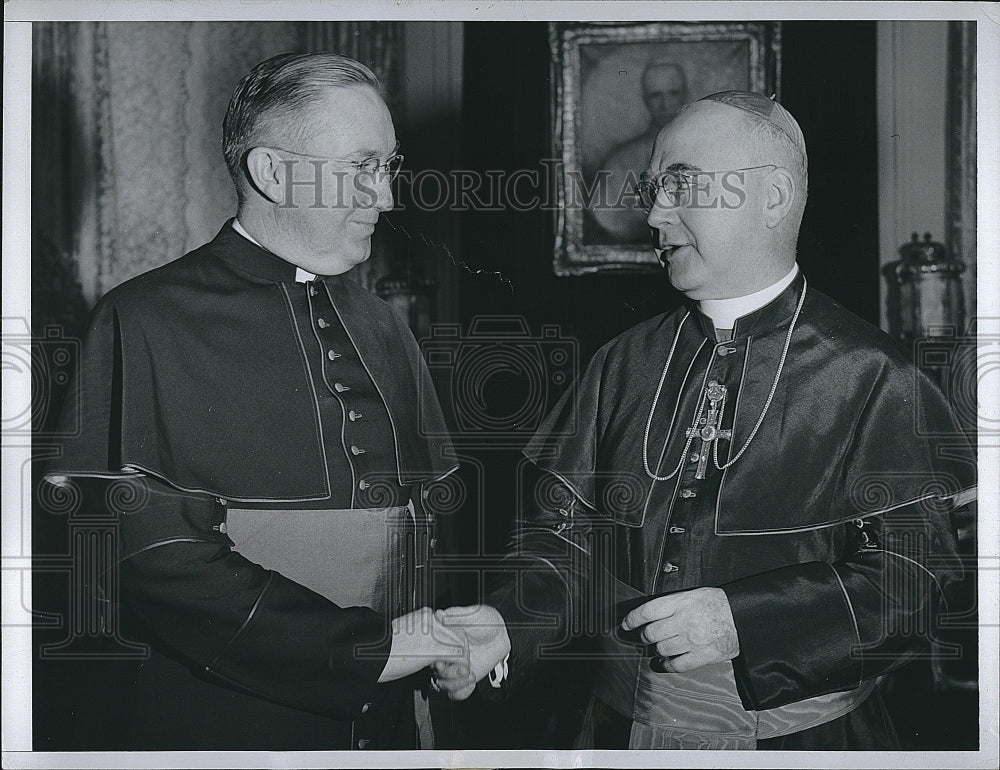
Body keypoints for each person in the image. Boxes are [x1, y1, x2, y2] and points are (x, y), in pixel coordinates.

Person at [435, 91, 977, 750]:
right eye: (654, 189)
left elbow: (916, 584)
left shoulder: (876, 377)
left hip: (804, 744)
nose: (655, 212)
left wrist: (745, 620)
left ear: (773, 197)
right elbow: (568, 545)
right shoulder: (621, 363)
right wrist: (505, 621)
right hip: (618, 732)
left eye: (681, 185)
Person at [42, 53, 470, 751]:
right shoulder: (145, 319)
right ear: (273, 173)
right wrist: (363, 650)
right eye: (361, 166)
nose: (387, 197)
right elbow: (157, 561)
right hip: (231, 721)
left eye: (388, 166)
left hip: (392, 717)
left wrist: (440, 643)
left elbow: (424, 535)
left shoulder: (384, 325)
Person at [589, 61, 688, 243]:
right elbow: (605, 218)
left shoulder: (706, 151)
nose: (665, 104)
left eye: (673, 93)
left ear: (684, 96)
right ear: (645, 99)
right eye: (655, 95)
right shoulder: (621, 160)